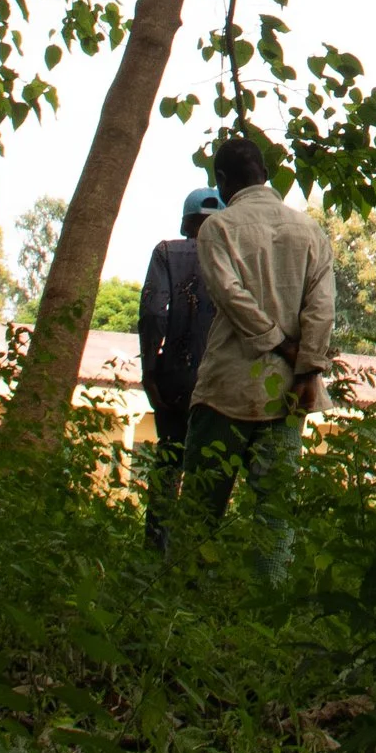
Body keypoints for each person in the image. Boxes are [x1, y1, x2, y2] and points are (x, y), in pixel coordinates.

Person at [182, 126, 335, 562]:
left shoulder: (217, 228)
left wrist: (280, 346)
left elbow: (231, 297)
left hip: (226, 387)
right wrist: (306, 369)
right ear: (266, 173)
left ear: (222, 182)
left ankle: (183, 603)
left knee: (200, 509)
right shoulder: (311, 232)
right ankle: (270, 608)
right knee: (276, 514)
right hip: (290, 391)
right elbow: (321, 310)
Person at [139, 182, 221, 548]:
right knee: (210, 470)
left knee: (169, 460)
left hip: (174, 378)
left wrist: (150, 371)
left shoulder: (166, 253)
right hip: (221, 380)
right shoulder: (237, 257)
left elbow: (153, 313)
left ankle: (155, 548)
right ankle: (194, 554)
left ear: (187, 223)